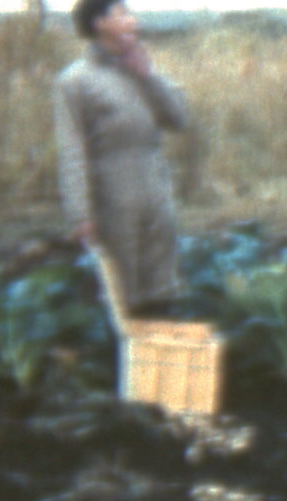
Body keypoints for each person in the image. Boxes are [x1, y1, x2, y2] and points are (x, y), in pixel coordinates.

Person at [54, 0, 189, 314]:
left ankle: (160, 358)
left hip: (155, 188)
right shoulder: (75, 81)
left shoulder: (141, 68)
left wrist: (148, 77)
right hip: (112, 196)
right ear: (100, 24)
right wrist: (79, 213)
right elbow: (72, 150)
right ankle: (124, 358)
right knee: (122, 292)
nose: (132, 21)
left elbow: (178, 119)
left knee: (162, 287)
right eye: (122, 14)